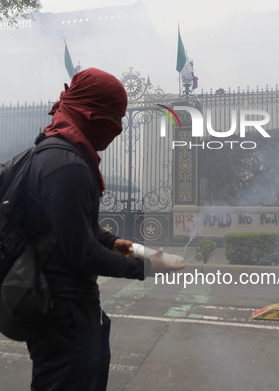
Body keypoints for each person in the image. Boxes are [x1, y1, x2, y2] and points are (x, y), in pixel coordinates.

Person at [20, 68, 184, 390]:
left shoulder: (59, 153)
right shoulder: (66, 166)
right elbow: (80, 253)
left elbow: (73, 228)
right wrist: (146, 266)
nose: (121, 129)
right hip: (62, 308)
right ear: (90, 114)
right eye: (115, 118)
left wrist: (112, 241)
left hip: (65, 303)